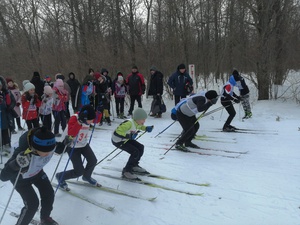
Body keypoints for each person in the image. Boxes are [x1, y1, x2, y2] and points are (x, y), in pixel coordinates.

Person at [0, 126, 59, 225]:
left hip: (37, 172)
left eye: (50, 151)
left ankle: (45, 218)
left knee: (48, 193)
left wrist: (67, 142)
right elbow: (3, 176)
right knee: (32, 204)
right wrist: (16, 164)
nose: (48, 154)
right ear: (35, 148)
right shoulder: (22, 150)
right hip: (20, 179)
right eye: (45, 152)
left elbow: (60, 148)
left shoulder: (48, 143)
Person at [56, 105, 99, 190]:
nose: (91, 122)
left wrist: (100, 111)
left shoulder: (89, 118)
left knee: (93, 160)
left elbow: (97, 120)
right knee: (79, 171)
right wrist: (79, 123)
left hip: (83, 144)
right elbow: (71, 133)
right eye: (90, 120)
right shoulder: (74, 118)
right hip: (72, 146)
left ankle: (86, 176)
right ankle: (60, 176)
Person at [111, 108, 154, 180]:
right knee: (135, 151)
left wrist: (146, 128)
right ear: (137, 118)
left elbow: (139, 126)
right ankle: (126, 171)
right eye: (143, 119)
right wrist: (129, 136)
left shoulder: (136, 122)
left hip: (125, 139)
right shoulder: (128, 123)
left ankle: (134, 165)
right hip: (118, 141)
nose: (144, 121)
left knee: (140, 147)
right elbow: (117, 132)